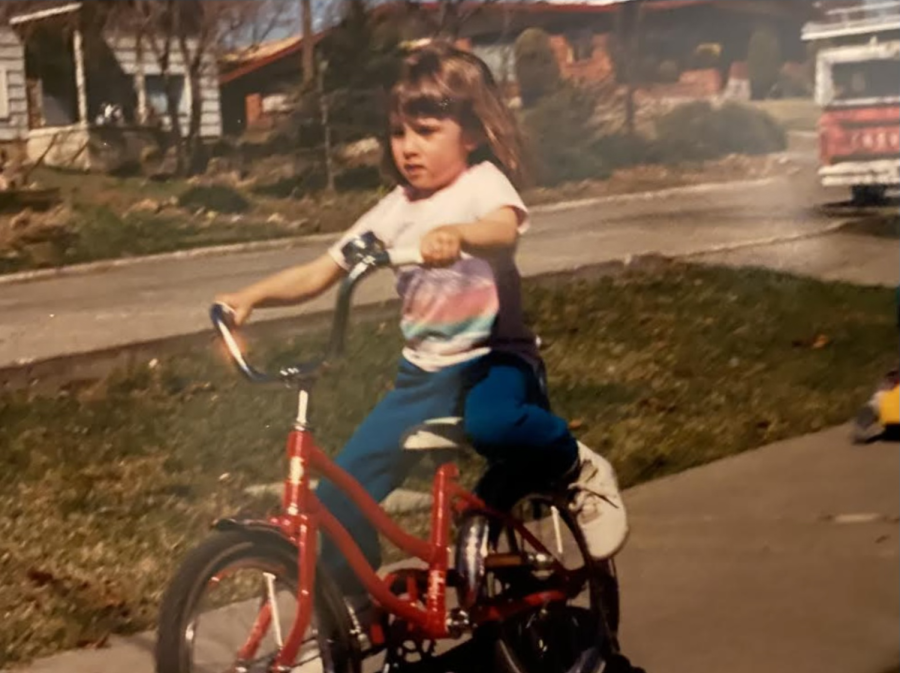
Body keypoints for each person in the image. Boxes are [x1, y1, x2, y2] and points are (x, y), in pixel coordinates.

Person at [215, 42, 628, 603]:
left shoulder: (480, 184)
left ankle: (576, 466)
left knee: (493, 424)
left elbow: (503, 230)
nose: (409, 148)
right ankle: (349, 614)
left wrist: (460, 236)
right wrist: (252, 296)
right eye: (399, 133)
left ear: (471, 134)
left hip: (492, 362)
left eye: (427, 131)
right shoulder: (395, 209)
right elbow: (321, 271)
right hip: (422, 380)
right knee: (337, 501)